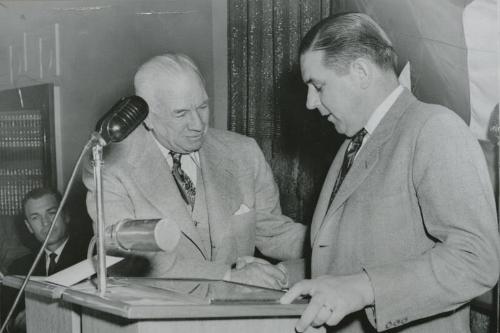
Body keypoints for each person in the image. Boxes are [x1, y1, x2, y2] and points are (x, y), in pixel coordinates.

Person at [280, 12, 500, 333]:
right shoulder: (352, 144)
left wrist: (362, 288)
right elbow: (362, 255)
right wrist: (286, 273)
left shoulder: (434, 128)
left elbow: (475, 259)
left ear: (360, 72)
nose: (311, 103)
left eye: (318, 85)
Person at [82, 53, 306, 289]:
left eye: (203, 106)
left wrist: (333, 242)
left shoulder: (244, 153)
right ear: (147, 119)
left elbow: (274, 232)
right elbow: (135, 258)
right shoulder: (110, 167)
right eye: (181, 113)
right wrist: (227, 275)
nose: (198, 124)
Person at [1, 187, 90, 332]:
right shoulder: (19, 267)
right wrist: (14, 324)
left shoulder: (90, 258)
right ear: (29, 226)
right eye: (35, 217)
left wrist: (39, 314)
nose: (46, 222)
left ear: (66, 215)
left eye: (52, 213)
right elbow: (6, 318)